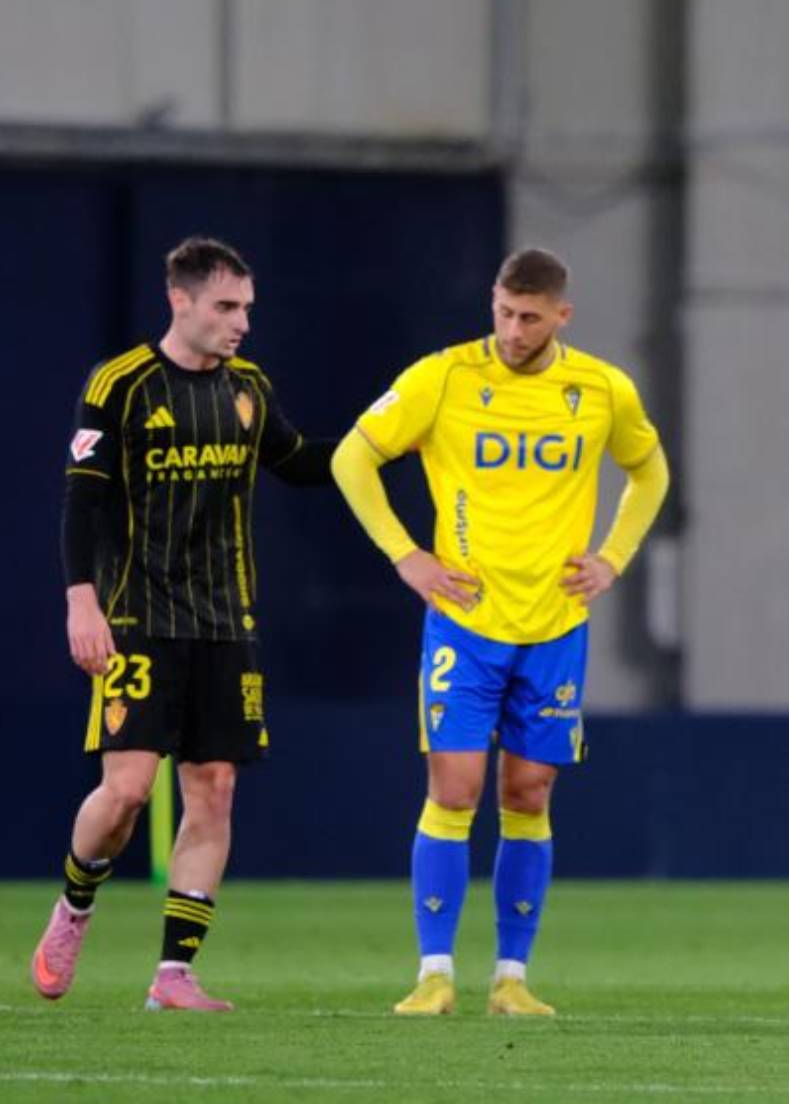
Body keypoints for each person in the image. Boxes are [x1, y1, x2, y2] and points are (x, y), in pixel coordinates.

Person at [330, 248, 669, 1017]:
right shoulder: (443, 378)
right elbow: (353, 458)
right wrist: (406, 555)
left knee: (529, 791)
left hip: (554, 626)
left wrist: (613, 558)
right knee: (454, 787)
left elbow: (650, 470)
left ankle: (511, 978)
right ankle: (434, 973)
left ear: (562, 316)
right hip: (467, 622)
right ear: (493, 301)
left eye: (531, 318)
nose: (514, 331)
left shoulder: (601, 388)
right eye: (505, 313)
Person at [32, 237, 334, 1012]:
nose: (242, 323)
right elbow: (82, 500)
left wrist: (394, 442)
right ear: (180, 301)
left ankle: (173, 976)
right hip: (138, 616)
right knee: (127, 793)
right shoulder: (121, 384)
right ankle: (74, 907)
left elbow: (300, 461)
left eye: (247, 308)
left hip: (226, 621)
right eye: (227, 307)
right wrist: (80, 600)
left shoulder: (249, 388)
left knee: (215, 790)